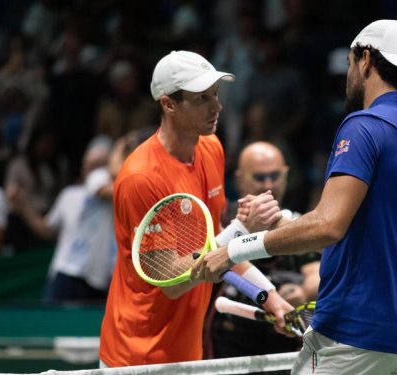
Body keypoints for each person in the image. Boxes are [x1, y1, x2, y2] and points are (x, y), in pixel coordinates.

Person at [199, 20, 397, 375]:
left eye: (349, 63)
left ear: (365, 59)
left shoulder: (363, 126)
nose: (347, 75)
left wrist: (234, 250)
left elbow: (328, 225)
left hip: (354, 335)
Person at [97, 50, 293, 368]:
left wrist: (270, 297)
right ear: (169, 104)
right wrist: (242, 231)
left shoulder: (210, 147)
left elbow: (216, 247)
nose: (217, 107)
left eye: (215, 95)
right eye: (201, 99)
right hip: (136, 357)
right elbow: (173, 282)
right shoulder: (141, 178)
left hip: (188, 351)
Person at [206, 141, 321, 359]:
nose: (268, 184)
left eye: (275, 176)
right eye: (259, 178)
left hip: (282, 346)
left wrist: (302, 293)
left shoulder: (296, 223)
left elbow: (316, 272)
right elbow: (209, 263)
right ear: (239, 178)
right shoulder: (220, 221)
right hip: (227, 348)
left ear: (286, 175)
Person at [7, 136, 117, 303]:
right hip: (66, 275)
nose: (94, 171)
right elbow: (47, 230)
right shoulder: (69, 194)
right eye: (90, 164)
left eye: (100, 165)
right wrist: (23, 206)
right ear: (83, 166)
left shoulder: (115, 196)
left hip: (101, 280)